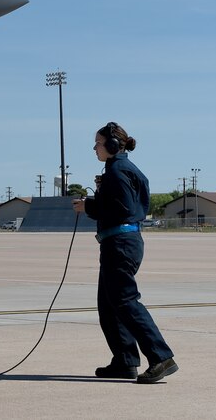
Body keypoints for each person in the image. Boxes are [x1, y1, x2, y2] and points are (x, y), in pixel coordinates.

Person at [72, 122, 178, 384]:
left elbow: (121, 210)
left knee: (125, 301)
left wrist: (89, 206)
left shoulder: (118, 171)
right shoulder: (123, 169)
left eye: (98, 143)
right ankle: (125, 360)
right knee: (108, 304)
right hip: (120, 241)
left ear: (112, 145)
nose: (94, 148)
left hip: (120, 242)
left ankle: (161, 357)